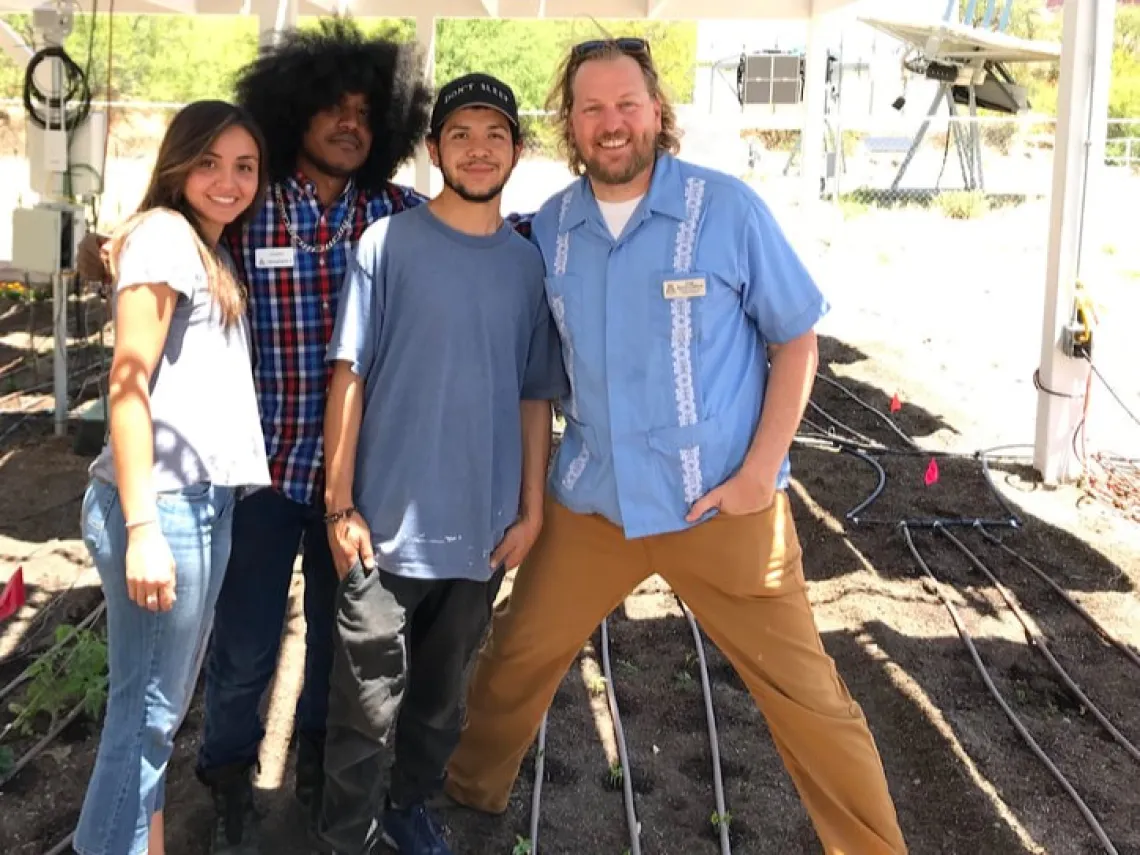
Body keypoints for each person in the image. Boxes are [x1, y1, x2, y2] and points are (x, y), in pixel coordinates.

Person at [443, 38, 909, 855]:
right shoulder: (551, 229)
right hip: (593, 504)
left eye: (627, 104)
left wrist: (760, 473)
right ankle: (465, 794)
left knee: (808, 698)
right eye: (592, 108)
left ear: (657, 111)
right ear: (570, 124)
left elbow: (796, 339)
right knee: (515, 654)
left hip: (722, 506)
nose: (611, 122)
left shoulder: (727, 210)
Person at [77, 19, 434, 854]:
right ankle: (228, 776)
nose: (349, 124)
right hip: (253, 480)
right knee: (241, 650)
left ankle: (313, 770)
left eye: (364, 113)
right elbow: (151, 242)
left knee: (338, 647)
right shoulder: (244, 204)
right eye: (332, 107)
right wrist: (105, 251)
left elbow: (479, 230)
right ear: (295, 111)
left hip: (350, 482)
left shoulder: (393, 215)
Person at [316, 72, 566, 855]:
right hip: (382, 528)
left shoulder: (527, 267)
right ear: (434, 149)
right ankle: (345, 833)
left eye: (495, 135)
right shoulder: (387, 246)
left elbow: (534, 395)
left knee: (438, 697)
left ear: (517, 151)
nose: (478, 149)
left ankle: (408, 805)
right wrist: (339, 503)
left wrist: (531, 509)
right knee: (363, 703)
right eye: (460, 134)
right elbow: (349, 375)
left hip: (481, 532)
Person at [73, 100, 271, 855]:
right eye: (210, 162)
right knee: (147, 717)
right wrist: (144, 527)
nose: (228, 181)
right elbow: (127, 385)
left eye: (244, 167)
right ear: (178, 164)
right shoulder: (164, 236)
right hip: (164, 505)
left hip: (199, 502)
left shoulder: (206, 247)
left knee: (156, 713)